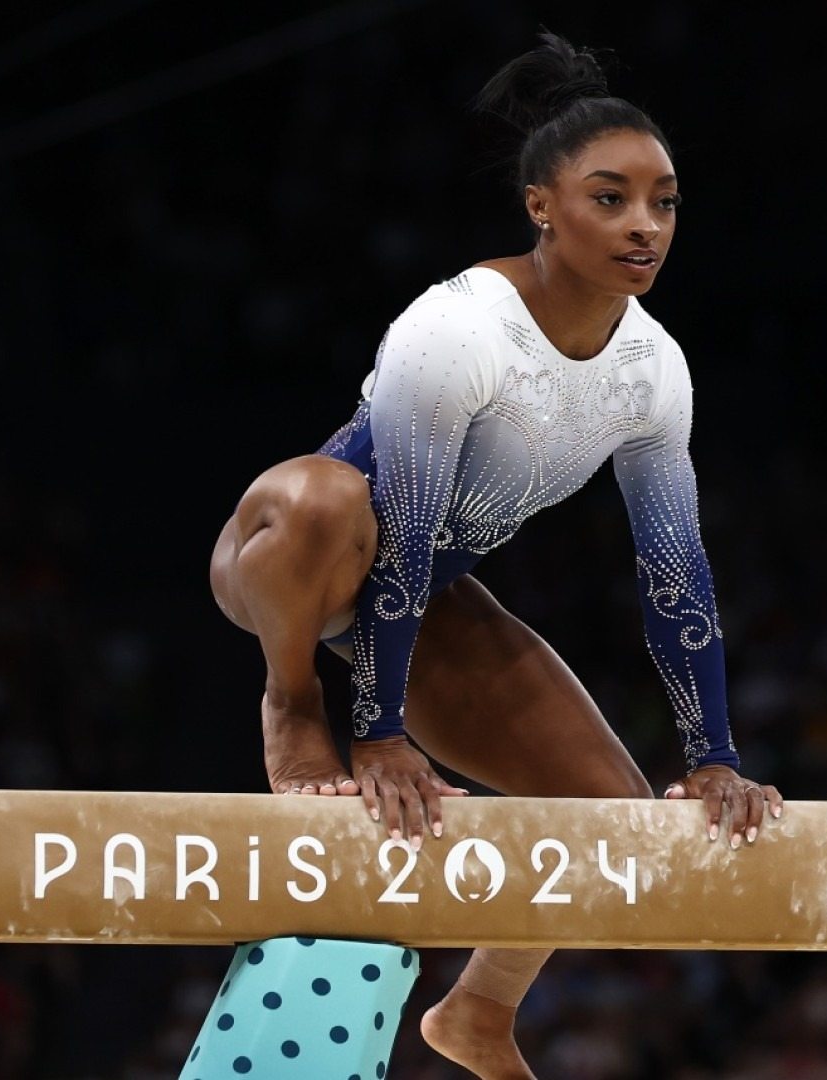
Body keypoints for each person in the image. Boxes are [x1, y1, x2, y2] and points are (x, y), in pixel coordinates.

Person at [207, 30, 783, 1079]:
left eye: (664, 202)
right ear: (541, 207)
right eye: (610, 198)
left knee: (615, 828)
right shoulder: (458, 326)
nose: (644, 225)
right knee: (330, 495)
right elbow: (405, 525)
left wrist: (712, 756)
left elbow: (675, 574)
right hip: (294, 558)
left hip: (425, 597)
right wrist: (372, 734)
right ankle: (290, 705)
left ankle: (476, 1010)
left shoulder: (654, 371)